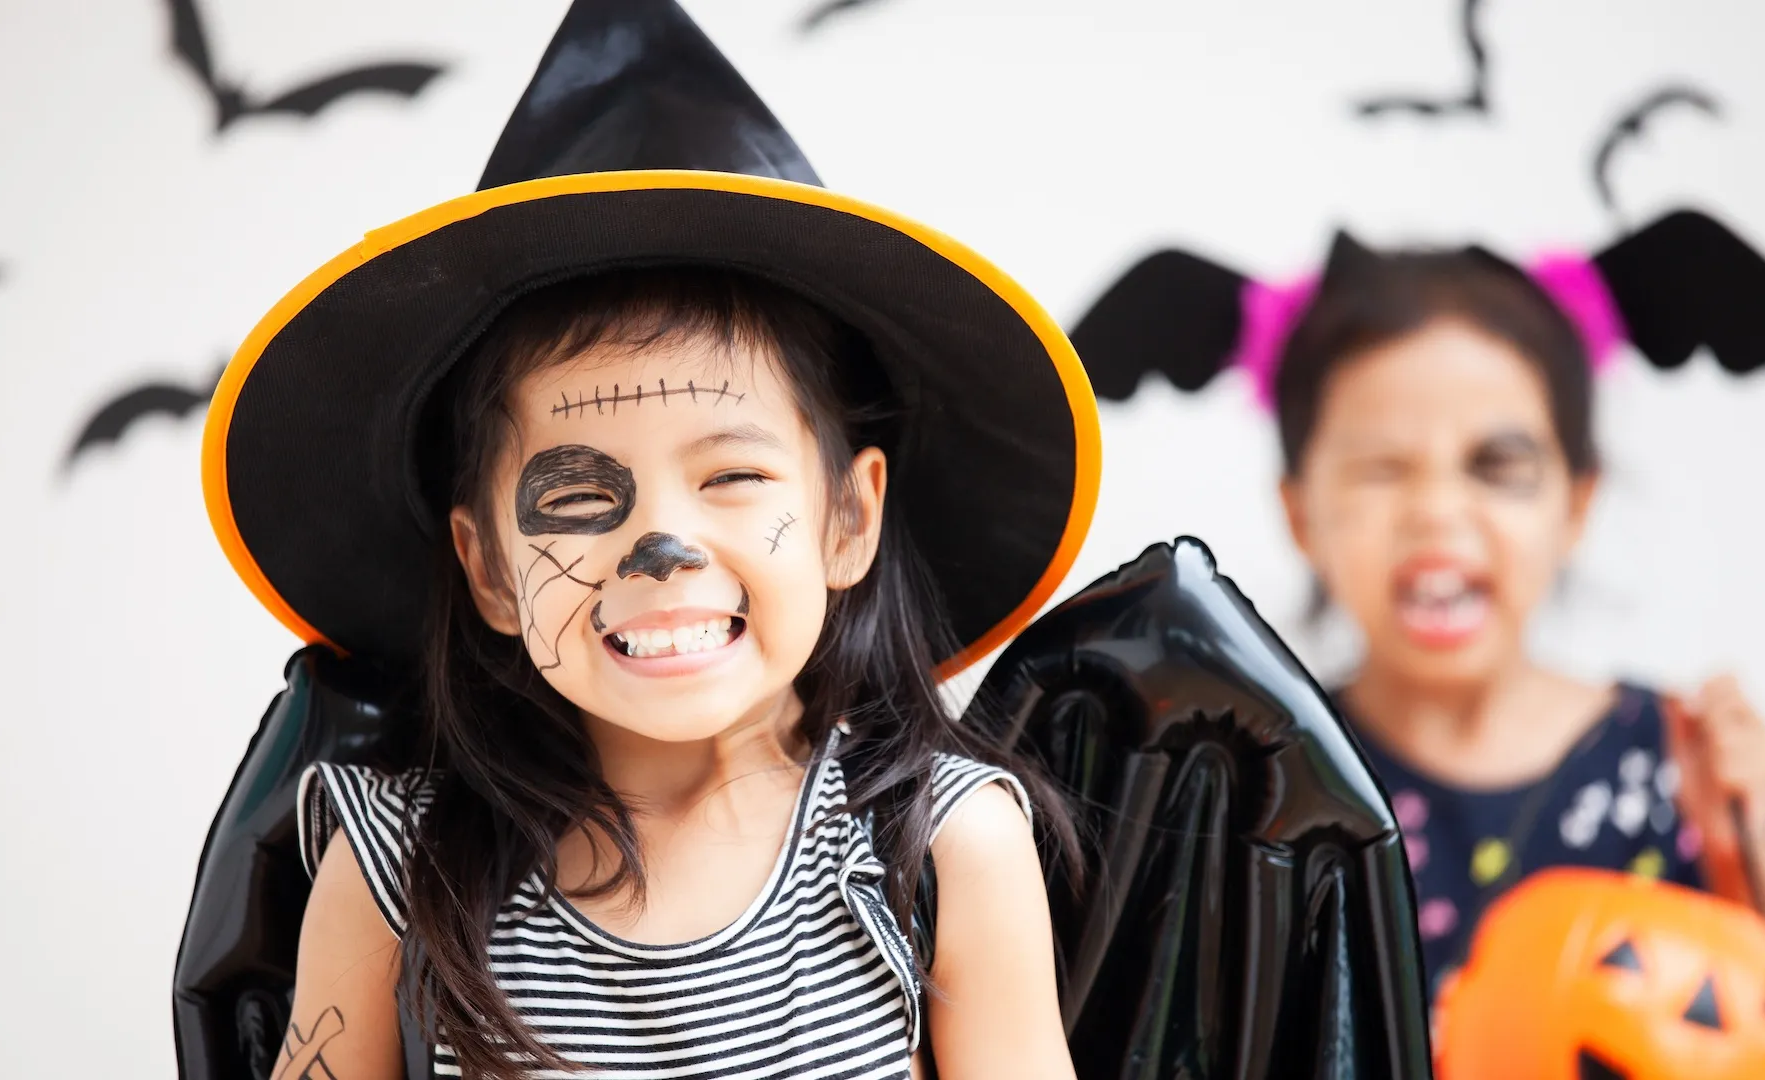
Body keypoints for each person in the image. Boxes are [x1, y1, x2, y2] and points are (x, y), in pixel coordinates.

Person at [197, 3, 1100, 1078]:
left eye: (731, 476)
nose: (661, 546)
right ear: (486, 566)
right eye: (578, 498)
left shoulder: (940, 849)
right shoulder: (398, 870)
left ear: (848, 519)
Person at [1270, 235, 1765, 993]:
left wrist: (1738, 847)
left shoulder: (1668, 764)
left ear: (1576, 503)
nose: (1438, 512)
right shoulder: (1271, 781)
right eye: (1381, 468)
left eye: (1498, 466)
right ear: (1301, 514)